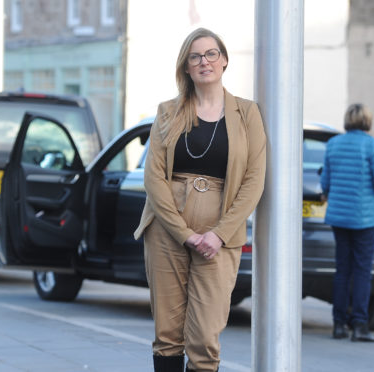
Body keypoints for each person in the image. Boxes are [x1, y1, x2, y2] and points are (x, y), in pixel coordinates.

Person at [133, 28, 266, 372]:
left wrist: (218, 233)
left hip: (221, 234)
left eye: (210, 54)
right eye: (195, 56)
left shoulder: (248, 114)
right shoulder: (167, 112)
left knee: (205, 336)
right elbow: (154, 177)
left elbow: (254, 180)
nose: (204, 61)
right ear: (186, 68)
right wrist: (184, 233)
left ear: (224, 61)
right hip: (167, 229)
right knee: (168, 333)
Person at [320, 103, 374, 342]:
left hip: (339, 216)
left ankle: (338, 325)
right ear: (367, 121)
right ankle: (359, 325)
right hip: (365, 218)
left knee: (342, 270)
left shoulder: (333, 144)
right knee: (362, 271)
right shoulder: (373, 146)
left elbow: (325, 184)